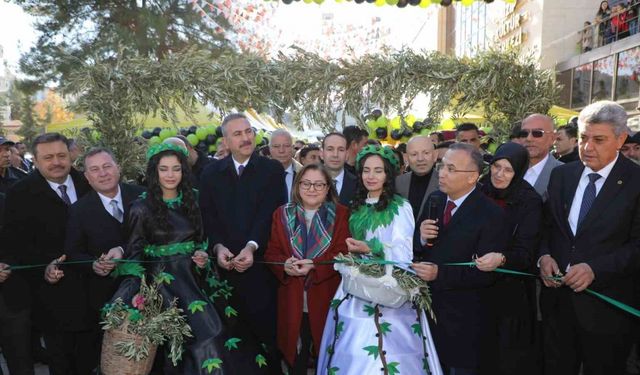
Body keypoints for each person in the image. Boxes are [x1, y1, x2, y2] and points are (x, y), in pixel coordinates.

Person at [110, 142, 266, 374]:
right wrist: (134, 294)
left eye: (176, 168)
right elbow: (134, 254)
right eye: (164, 169)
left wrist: (203, 253)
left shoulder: (195, 199)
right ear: (154, 172)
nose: (170, 175)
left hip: (199, 280)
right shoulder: (140, 207)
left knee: (226, 333)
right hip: (163, 288)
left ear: (184, 170)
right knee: (195, 341)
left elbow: (204, 239)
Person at [317, 145, 443, 375]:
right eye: (366, 170)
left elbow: (404, 253)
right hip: (355, 290)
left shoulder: (400, 207)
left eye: (378, 170)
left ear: (388, 174)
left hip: (389, 291)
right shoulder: (355, 207)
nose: (371, 176)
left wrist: (370, 248)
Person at [538, 101, 640, 375]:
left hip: (608, 310)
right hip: (558, 306)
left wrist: (595, 269)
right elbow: (547, 226)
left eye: (598, 139)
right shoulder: (562, 175)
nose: (587, 147)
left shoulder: (635, 181)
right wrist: (544, 256)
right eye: (583, 138)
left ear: (620, 139)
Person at [199, 113, 286, 375]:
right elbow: (208, 217)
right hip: (223, 275)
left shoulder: (271, 170)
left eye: (248, 131)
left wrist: (251, 247)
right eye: (237, 134)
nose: (246, 137)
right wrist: (218, 247)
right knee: (231, 342)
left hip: (261, 271)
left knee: (267, 339)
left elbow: (271, 215)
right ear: (225, 140)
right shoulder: (211, 173)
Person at [2, 133, 93, 374]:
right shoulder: (20, 193)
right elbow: (13, 244)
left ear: (71, 155)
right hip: (49, 297)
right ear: (36, 160)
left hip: (93, 290)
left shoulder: (89, 183)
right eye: (48, 157)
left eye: (61, 156)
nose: (56, 162)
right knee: (61, 362)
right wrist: (45, 266)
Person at [413, 143, 508, 374]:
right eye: (442, 166)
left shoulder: (491, 214)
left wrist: (440, 274)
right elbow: (416, 249)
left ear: (472, 177)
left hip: (466, 321)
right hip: (429, 313)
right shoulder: (435, 200)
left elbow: (486, 273)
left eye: (451, 169)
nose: (442, 173)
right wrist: (421, 239)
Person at [264, 164, 349, 375]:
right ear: (297, 185)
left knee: (327, 355)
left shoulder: (341, 214)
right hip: (293, 299)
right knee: (297, 358)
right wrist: (284, 265)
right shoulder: (282, 214)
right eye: (306, 183)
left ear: (328, 188)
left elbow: (343, 252)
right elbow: (271, 253)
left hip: (326, 298)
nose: (312, 189)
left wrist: (315, 266)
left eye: (319, 184)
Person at [64, 147, 145, 360]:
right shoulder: (79, 210)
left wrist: (122, 250)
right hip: (104, 298)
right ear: (87, 177)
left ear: (118, 168)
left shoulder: (142, 196)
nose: (103, 173)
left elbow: (157, 238)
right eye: (95, 169)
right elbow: (72, 252)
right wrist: (93, 264)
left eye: (107, 166)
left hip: (149, 292)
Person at [477, 142, 543, 375]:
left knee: (505, 359)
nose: (499, 174)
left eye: (507, 169)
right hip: (475, 289)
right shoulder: (480, 188)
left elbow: (527, 252)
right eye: (496, 166)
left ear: (519, 172)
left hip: (510, 294)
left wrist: (502, 259)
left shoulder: (529, 201)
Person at [520, 114, 563, 201]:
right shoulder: (510, 168)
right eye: (524, 133)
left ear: (552, 138)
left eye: (537, 133)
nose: (529, 138)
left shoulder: (564, 174)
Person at [395, 136, 439, 220]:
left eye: (426, 153)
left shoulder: (444, 182)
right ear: (406, 157)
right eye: (414, 154)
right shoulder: (398, 183)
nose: (420, 159)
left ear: (435, 155)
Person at [321, 132, 357, 206]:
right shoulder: (307, 183)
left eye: (341, 150)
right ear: (321, 153)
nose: (335, 155)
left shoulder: (358, 184)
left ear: (347, 154)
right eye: (330, 149)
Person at [270, 129, 303, 202]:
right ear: (270, 148)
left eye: (286, 146)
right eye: (276, 146)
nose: (281, 150)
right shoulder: (258, 174)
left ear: (292, 148)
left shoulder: (303, 174)